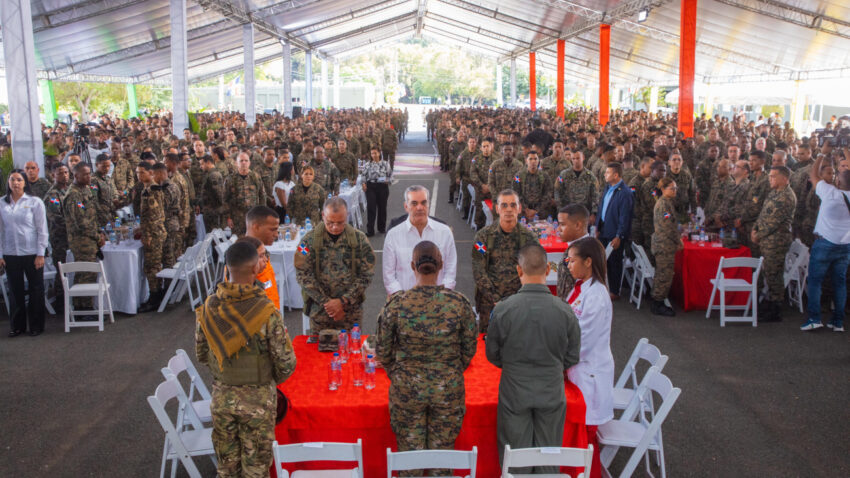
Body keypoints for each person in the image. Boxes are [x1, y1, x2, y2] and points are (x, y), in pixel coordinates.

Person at [195, 241, 296, 478]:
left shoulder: (209, 308)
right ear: (254, 270)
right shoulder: (265, 311)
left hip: (222, 400)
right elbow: (286, 363)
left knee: (227, 469)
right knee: (256, 470)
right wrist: (265, 380)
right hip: (258, 403)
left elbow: (201, 354)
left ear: (227, 268)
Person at [376, 241, 477, 477]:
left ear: (412, 265)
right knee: (442, 462)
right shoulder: (458, 304)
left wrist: (401, 373)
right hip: (448, 390)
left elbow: (383, 351)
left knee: (410, 462)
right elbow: (469, 349)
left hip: (407, 390)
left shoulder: (396, 304)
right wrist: (449, 371)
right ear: (441, 265)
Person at [486, 244, 581, 472]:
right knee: (548, 456)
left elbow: (492, 353)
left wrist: (511, 366)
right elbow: (572, 355)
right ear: (548, 269)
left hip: (514, 390)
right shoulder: (565, 310)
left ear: (519, 271)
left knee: (515, 456)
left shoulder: (503, 310)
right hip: (551, 389)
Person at [564, 237, 615, 478]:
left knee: (586, 440)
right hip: (578, 371)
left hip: (588, 375)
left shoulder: (596, 297)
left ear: (588, 261)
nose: (568, 265)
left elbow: (583, 341)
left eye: (572, 260)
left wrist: (554, 357)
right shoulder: (581, 288)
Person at [294, 197, 375, 340]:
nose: (335, 227)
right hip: (320, 312)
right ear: (323, 216)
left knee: (350, 353)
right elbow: (302, 273)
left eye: (340, 223)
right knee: (317, 356)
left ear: (347, 216)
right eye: (330, 223)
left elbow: (366, 274)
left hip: (350, 312)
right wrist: (327, 303)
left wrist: (343, 301)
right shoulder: (307, 241)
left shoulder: (360, 240)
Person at [472, 189, 539, 334]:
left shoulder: (529, 238)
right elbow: (478, 270)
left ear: (519, 208)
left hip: (520, 304)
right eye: (504, 205)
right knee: (489, 346)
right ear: (496, 208)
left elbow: (534, 272)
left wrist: (517, 300)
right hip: (489, 304)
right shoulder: (483, 237)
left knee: (519, 344)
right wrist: (495, 298)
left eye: (513, 205)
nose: (509, 209)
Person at [800, 153, 850, 332]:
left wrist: (821, 153)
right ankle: (837, 322)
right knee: (840, 283)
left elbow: (814, 174)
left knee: (815, 281)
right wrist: (846, 150)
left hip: (824, 244)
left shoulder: (830, 193)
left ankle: (814, 318)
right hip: (845, 246)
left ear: (837, 182)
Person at [0, 170, 48, 336]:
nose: (15, 183)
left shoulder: (35, 202)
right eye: (12, 180)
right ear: (8, 183)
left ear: (25, 183)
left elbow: (42, 230)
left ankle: (36, 326)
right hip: (10, 253)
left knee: (36, 290)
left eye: (19, 180)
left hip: (32, 253)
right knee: (15, 290)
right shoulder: (2, 203)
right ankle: (17, 326)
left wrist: (40, 254)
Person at [383, 185, 457, 294]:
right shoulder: (393, 235)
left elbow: (450, 269)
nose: (419, 207)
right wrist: (401, 298)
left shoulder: (445, 232)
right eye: (414, 203)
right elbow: (389, 276)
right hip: (405, 302)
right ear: (406, 206)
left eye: (423, 203)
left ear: (428, 204)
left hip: (438, 302)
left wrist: (443, 295)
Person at [752, 166, 796, 322]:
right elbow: (763, 214)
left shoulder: (786, 197)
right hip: (766, 240)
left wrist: (758, 234)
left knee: (774, 274)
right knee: (768, 273)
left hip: (776, 241)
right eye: (769, 176)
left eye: (773, 176)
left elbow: (773, 223)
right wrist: (755, 228)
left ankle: (776, 308)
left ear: (784, 178)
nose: (770, 179)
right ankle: (769, 303)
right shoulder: (774, 193)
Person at [64, 162, 105, 314]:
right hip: (81, 241)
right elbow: (81, 222)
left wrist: (100, 232)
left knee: (89, 274)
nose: (89, 177)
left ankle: (85, 307)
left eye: (90, 173)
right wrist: (96, 236)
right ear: (76, 176)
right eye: (85, 174)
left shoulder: (85, 190)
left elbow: (92, 214)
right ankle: (82, 309)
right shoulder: (73, 195)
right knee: (85, 274)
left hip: (91, 239)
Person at [595, 162, 634, 300]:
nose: (605, 174)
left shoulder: (625, 193)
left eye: (608, 172)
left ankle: (615, 291)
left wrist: (619, 236)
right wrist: (598, 227)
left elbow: (625, 217)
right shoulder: (607, 187)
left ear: (616, 175)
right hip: (604, 229)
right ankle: (603, 287)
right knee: (601, 260)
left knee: (614, 262)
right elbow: (602, 208)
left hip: (615, 233)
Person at [135, 162, 168, 312]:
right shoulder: (147, 189)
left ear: (151, 173)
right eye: (137, 173)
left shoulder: (152, 190)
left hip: (153, 234)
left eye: (142, 172)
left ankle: (154, 298)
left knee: (151, 266)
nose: (139, 175)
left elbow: (154, 216)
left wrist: (147, 234)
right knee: (153, 265)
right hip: (154, 231)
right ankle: (156, 294)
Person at [649, 177, 682, 316]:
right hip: (664, 245)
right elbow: (667, 226)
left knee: (664, 273)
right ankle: (658, 303)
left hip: (665, 244)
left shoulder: (667, 203)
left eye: (675, 188)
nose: (674, 191)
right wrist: (678, 241)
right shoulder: (663, 204)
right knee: (664, 275)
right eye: (671, 188)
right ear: (663, 189)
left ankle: (658, 301)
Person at [245, 206, 281, 310]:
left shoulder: (261, 252)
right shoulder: (242, 258)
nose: (276, 235)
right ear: (256, 227)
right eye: (272, 230)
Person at [226, 152, 268, 237]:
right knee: (239, 242)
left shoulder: (255, 177)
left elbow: (262, 196)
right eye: (241, 161)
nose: (244, 163)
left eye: (246, 160)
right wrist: (228, 217)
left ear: (249, 163)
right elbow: (225, 199)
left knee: (255, 241)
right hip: (237, 218)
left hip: (253, 216)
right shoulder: (230, 179)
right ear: (236, 163)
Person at [556, 204, 591, 300]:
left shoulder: (586, 252)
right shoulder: (575, 247)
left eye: (562, 224)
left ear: (577, 225)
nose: (558, 229)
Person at [361, 146, 392, 236]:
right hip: (371, 187)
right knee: (371, 208)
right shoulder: (368, 164)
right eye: (372, 153)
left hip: (382, 187)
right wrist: (363, 184)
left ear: (379, 153)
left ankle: (381, 228)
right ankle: (370, 230)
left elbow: (391, 176)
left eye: (375, 153)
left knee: (382, 208)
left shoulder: (385, 164)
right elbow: (363, 176)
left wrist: (387, 180)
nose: (373, 155)